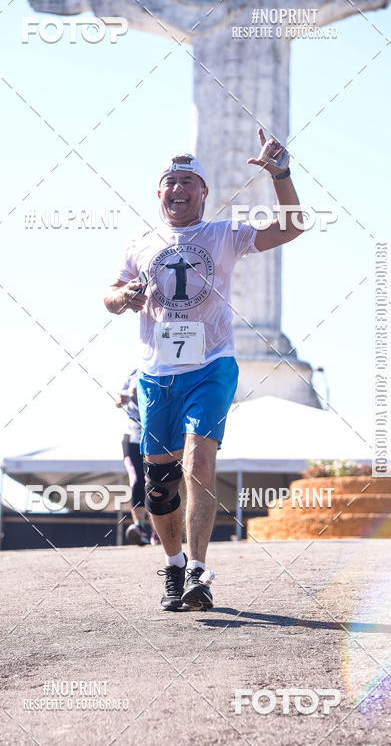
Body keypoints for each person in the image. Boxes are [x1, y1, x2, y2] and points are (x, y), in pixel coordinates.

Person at [104, 128, 305, 610]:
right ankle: (173, 566)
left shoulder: (223, 234)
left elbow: (293, 226)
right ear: (159, 192)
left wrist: (282, 176)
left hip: (212, 364)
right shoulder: (141, 241)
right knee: (159, 484)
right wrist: (123, 298)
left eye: (187, 181)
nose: (178, 189)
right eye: (170, 182)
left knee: (198, 461)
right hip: (155, 374)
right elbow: (110, 294)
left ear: (203, 192)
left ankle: (197, 569)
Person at [117, 370, 152, 546]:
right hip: (132, 436)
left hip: (154, 433)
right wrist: (126, 397)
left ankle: (157, 530)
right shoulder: (133, 371)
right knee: (137, 480)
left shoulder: (163, 367)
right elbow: (120, 399)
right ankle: (139, 526)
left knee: (157, 480)